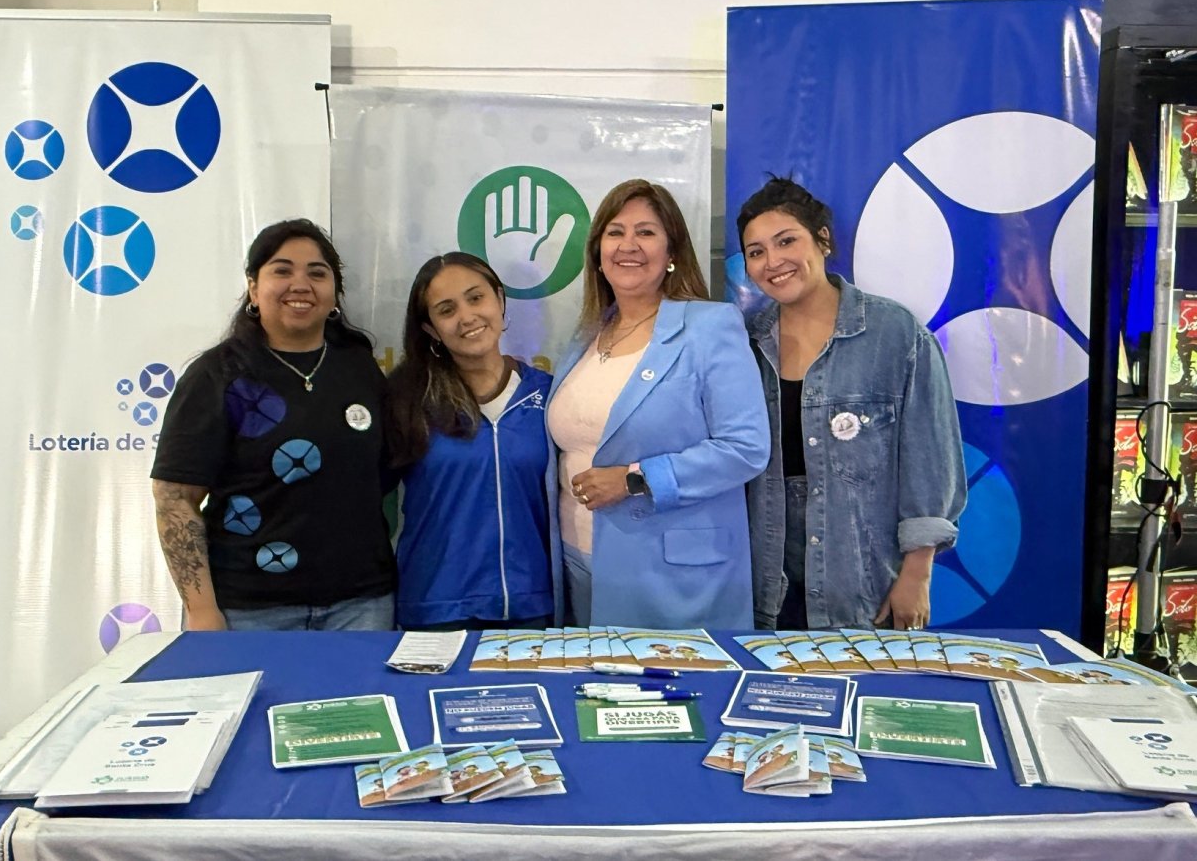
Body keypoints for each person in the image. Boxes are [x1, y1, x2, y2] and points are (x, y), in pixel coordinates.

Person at [738, 176, 966, 631]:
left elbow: (931, 461)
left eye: (786, 241)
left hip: (862, 580)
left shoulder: (895, 334)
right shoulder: (743, 340)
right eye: (756, 251)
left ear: (823, 240)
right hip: (763, 579)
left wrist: (917, 574)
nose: (773, 261)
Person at [547, 178, 769, 629]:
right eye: (615, 232)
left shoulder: (710, 327)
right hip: (578, 563)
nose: (629, 245)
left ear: (671, 254)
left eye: (645, 232)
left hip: (671, 575)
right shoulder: (587, 336)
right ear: (597, 252)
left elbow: (745, 448)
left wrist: (634, 479)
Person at [151, 219, 393, 630]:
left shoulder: (359, 368)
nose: (301, 283)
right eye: (282, 270)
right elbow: (175, 499)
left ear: (334, 293)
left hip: (362, 604)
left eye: (317, 273)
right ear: (253, 287)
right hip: (249, 609)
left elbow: (380, 477)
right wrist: (201, 610)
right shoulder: (217, 376)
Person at [386, 252, 558, 630]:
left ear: (499, 298)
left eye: (476, 298)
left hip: (531, 607)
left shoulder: (549, 396)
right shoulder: (406, 400)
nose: (467, 317)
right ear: (431, 329)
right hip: (436, 606)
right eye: (446, 310)